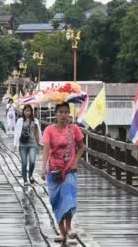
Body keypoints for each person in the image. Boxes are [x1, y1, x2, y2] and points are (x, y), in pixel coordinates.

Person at [40, 102, 86, 244]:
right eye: (61, 112)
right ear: (56, 114)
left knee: (68, 199)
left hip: (70, 170)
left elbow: (82, 147)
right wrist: (43, 168)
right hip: (54, 171)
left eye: (66, 112)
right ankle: (62, 232)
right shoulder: (49, 130)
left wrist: (75, 161)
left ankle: (69, 227)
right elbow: (46, 149)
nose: (64, 115)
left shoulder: (74, 129)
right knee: (56, 201)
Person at [13, 104, 41, 185]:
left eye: (29, 111)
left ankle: (30, 175)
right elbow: (17, 133)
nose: (27, 113)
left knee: (32, 161)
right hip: (23, 144)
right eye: (26, 111)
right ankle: (25, 180)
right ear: (23, 112)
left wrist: (39, 143)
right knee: (24, 162)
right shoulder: (20, 121)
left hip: (33, 144)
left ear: (31, 112)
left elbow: (37, 132)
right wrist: (15, 144)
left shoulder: (35, 121)